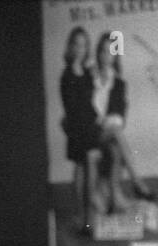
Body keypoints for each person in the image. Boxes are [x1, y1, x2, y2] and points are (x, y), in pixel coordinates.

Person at [92, 30, 154, 213]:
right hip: (89, 131)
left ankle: (115, 197)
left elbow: (119, 117)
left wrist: (105, 121)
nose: (106, 56)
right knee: (116, 137)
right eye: (103, 51)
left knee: (115, 144)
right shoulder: (89, 78)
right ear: (98, 53)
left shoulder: (119, 84)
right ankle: (136, 182)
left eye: (110, 52)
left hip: (108, 132)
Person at [59, 27, 100, 235]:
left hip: (89, 126)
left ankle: (88, 218)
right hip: (77, 128)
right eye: (77, 44)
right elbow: (71, 109)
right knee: (81, 169)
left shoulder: (87, 73)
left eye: (84, 44)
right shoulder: (66, 76)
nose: (81, 48)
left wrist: (97, 120)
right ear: (70, 46)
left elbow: (91, 102)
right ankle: (82, 216)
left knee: (87, 167)